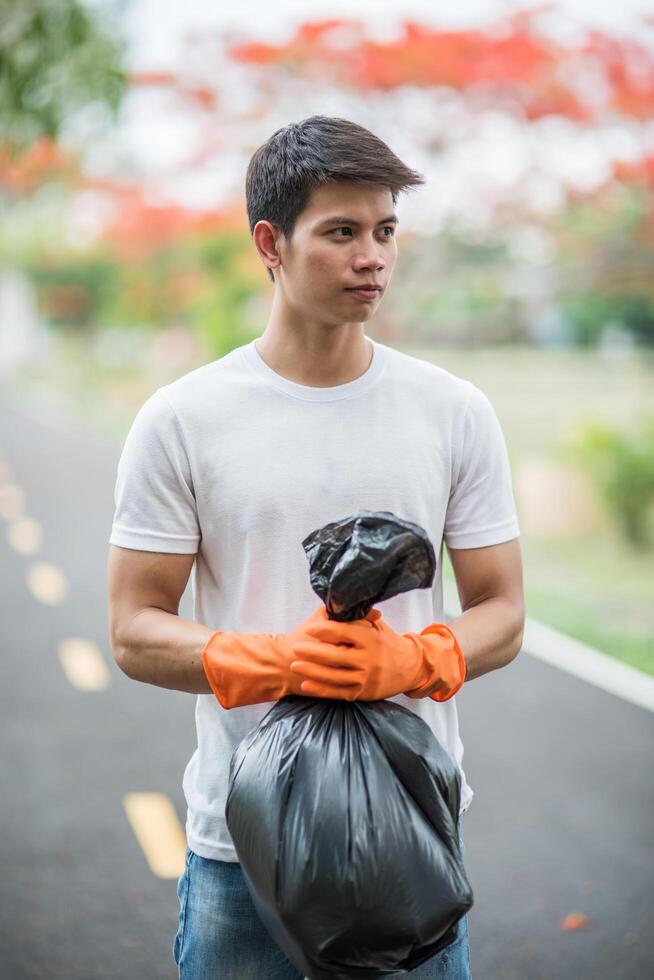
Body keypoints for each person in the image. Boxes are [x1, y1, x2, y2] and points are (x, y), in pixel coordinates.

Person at [107, 115, 525, 980]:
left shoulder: (453, 411)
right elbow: (134, 630)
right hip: (241, 846)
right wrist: (283, 661)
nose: (371, 257)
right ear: (271, 242)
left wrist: (409, 661)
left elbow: (505, 612)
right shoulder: (183, 419)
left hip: (410, 839)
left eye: (384, 232)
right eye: (341, 232)